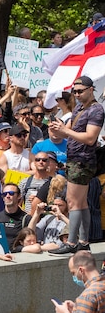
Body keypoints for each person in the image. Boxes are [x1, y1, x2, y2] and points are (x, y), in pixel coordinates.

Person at [49, 76, 104, 254]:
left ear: (91, 90)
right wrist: (59, 130)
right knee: (81, 203)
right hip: (74, 158)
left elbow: (90, 138)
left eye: (80, 91)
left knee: (73, 202)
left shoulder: (96, 110)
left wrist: (66, 131)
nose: (77, 95)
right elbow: (70, 133)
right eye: (75, 92)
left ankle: (72, 242)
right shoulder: (79, 107)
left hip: (82, 160)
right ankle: (82, 241)